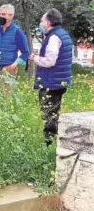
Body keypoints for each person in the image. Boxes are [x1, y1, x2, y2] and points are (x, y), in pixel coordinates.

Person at [30, 8, 73, 146]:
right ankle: (54, 141)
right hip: (59, 81)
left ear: (48, 23)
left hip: (51, 82)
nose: (41, 23)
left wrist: (36, 58)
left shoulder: (54, 38)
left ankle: (49, 143)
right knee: (54, 112)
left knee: (49, 114)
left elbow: (50, 61)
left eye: (42, 21)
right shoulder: (63, 34)